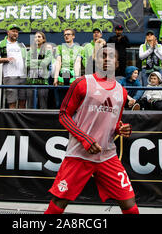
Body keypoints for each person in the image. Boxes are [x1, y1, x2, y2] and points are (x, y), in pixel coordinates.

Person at [45, 46, 138, 215]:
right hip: (79, 155)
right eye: (102, 55)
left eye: (111, 56)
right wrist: (85, 139)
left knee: (130, 205)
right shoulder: (82, 83)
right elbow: (64, 115)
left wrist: (120, 129)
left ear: (117, 63)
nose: (106, 59)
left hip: (107, 156)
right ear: (96, 60)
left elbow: (114, 123)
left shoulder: (122, 92)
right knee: (59, 201)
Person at [0, 24, 27, 109]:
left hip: (23, 76)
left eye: (17, 32)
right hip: (10, 77)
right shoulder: (0, 44)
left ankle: (20, 122)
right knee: (12, 102)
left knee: (23, 102)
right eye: (13, 31)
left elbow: (26, 60)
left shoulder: (22, 45)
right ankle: (13, 122)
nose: (15, 33)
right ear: (8, 32)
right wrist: (6, 59)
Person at [53, 29, 82, 108]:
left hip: (73, 75)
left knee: (72, 103)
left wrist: (77, 78)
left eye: (68, 34)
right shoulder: (59, 47)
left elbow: (77, 63)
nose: (66, 36)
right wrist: (55, 78)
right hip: (63, 75)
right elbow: (58, 62)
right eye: (65, 34)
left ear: (73, 36)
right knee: (61, 102)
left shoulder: (79, 48)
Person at [26, 31, 52, 109]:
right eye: (35, 37)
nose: (37, 38)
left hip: (43, 82)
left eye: (39, 37)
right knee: (30, 104)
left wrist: (33, 62)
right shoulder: (30, 51)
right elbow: (27, 64)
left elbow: (45, 63)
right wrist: (40, 62)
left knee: (43, 105)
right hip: (31, 81)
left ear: (43, 40)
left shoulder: (48, 51)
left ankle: (42, 121)